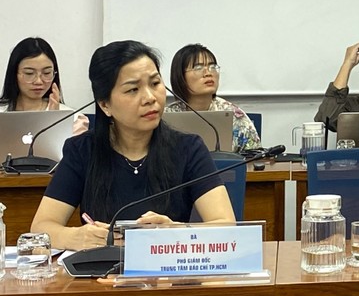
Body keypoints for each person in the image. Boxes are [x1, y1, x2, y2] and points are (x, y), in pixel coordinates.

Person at [31, 40, 235, 251]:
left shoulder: (188, 148)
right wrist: (76, 237)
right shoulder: (82, 150)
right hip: (101, 278)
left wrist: (177, 232)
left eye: (155, 84)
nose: (149, 98)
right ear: (105, 105)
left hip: (168, 276)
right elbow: (40, 228)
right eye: (133, 89)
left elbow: (226, 226)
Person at [164, 43, 261, 153]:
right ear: (180, 76)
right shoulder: (166, 118)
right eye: (198, 68)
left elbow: (255, 160)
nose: (208, 73)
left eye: (213, 67)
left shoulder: (235, 115)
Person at [0, 36, 88, 134]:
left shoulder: (73, 118)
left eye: (46, 73)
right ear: (14, 74)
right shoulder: (2, 113)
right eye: (29, 73)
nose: (38, 81)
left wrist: (55, 120)